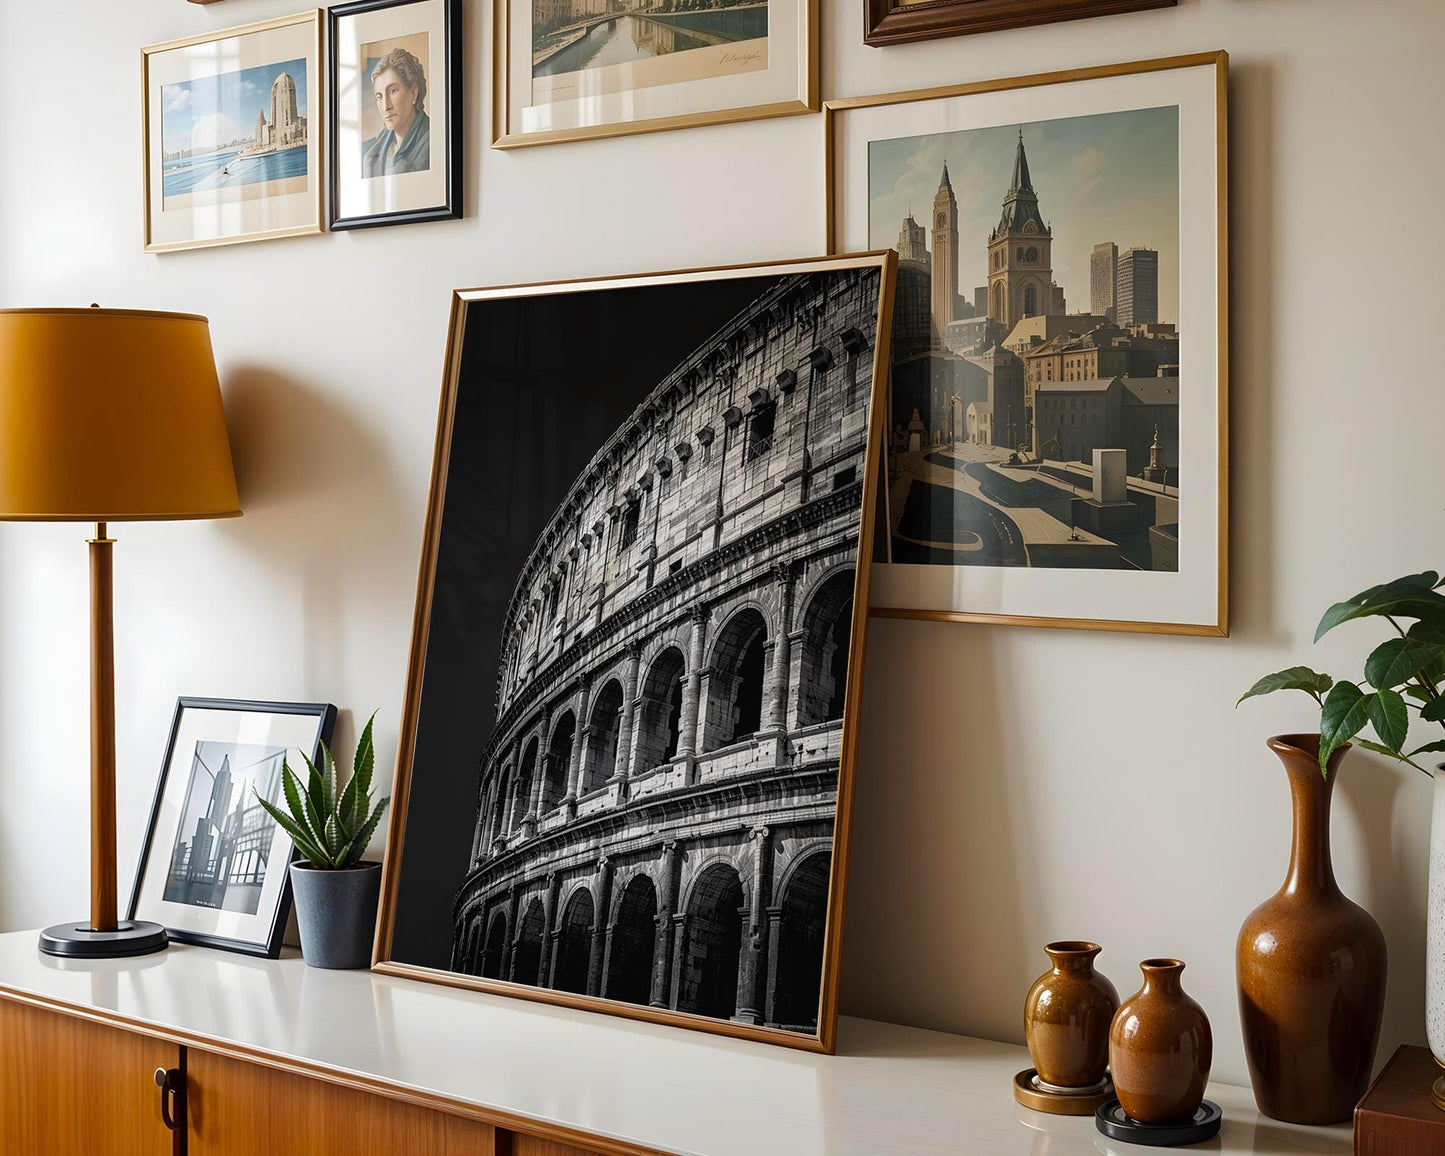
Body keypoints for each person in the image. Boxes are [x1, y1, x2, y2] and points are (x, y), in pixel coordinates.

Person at [362, 48, 430, 177]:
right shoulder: (369, 151)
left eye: (392, 91)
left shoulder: (434, 142)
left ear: (413, 92)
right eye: (379, 96)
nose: (386, 106)